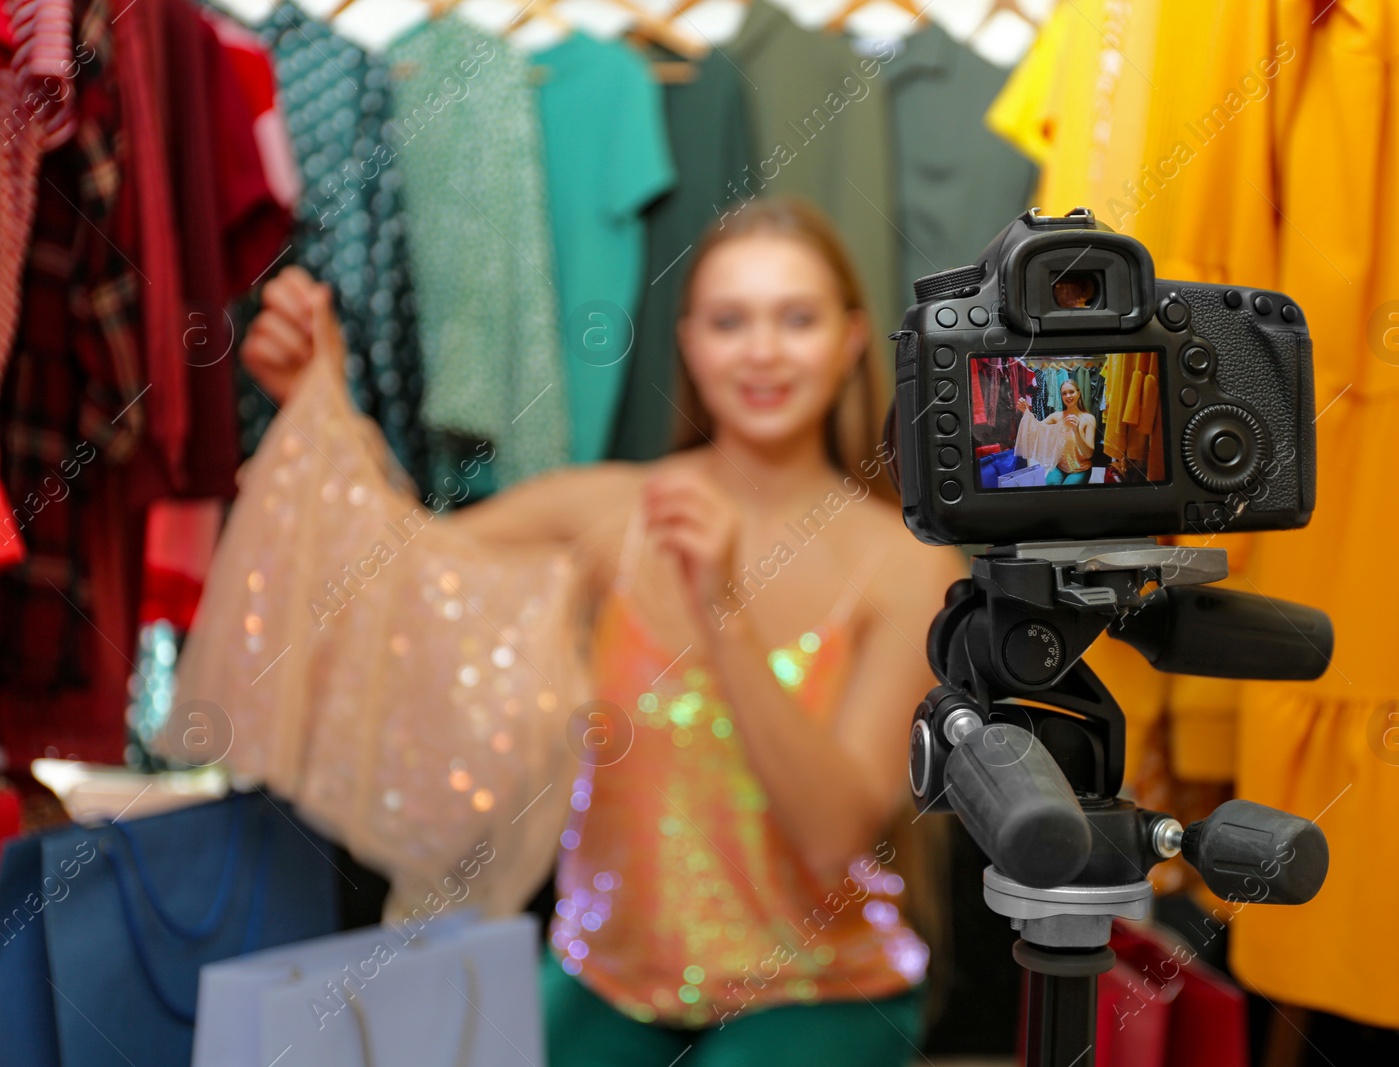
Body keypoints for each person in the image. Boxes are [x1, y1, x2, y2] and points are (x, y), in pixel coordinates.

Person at [237, 197, 965, 1066]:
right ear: (691, 344)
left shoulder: (910, 566)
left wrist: (720, 609)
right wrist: (319, 405)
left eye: (796, 319)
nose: (763, 351)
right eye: (731, 321)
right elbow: (394, 575)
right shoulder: (605, 511)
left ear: (850, 341)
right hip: (603, 982)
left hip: (820, 990)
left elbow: (831, 832)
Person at [1015, 377, 1096, 485]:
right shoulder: (1056, 416)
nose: (1068, 396)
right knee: (1048, 490)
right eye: (1064, 393)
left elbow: (1089, 453)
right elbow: (1035, 429)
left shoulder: (1089, 419)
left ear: (1079, 393)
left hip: (1081, 469)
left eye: (1071, 392)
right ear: (1061, 396)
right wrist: (1026, 412)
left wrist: (1077, 432)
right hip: (1060, 467)